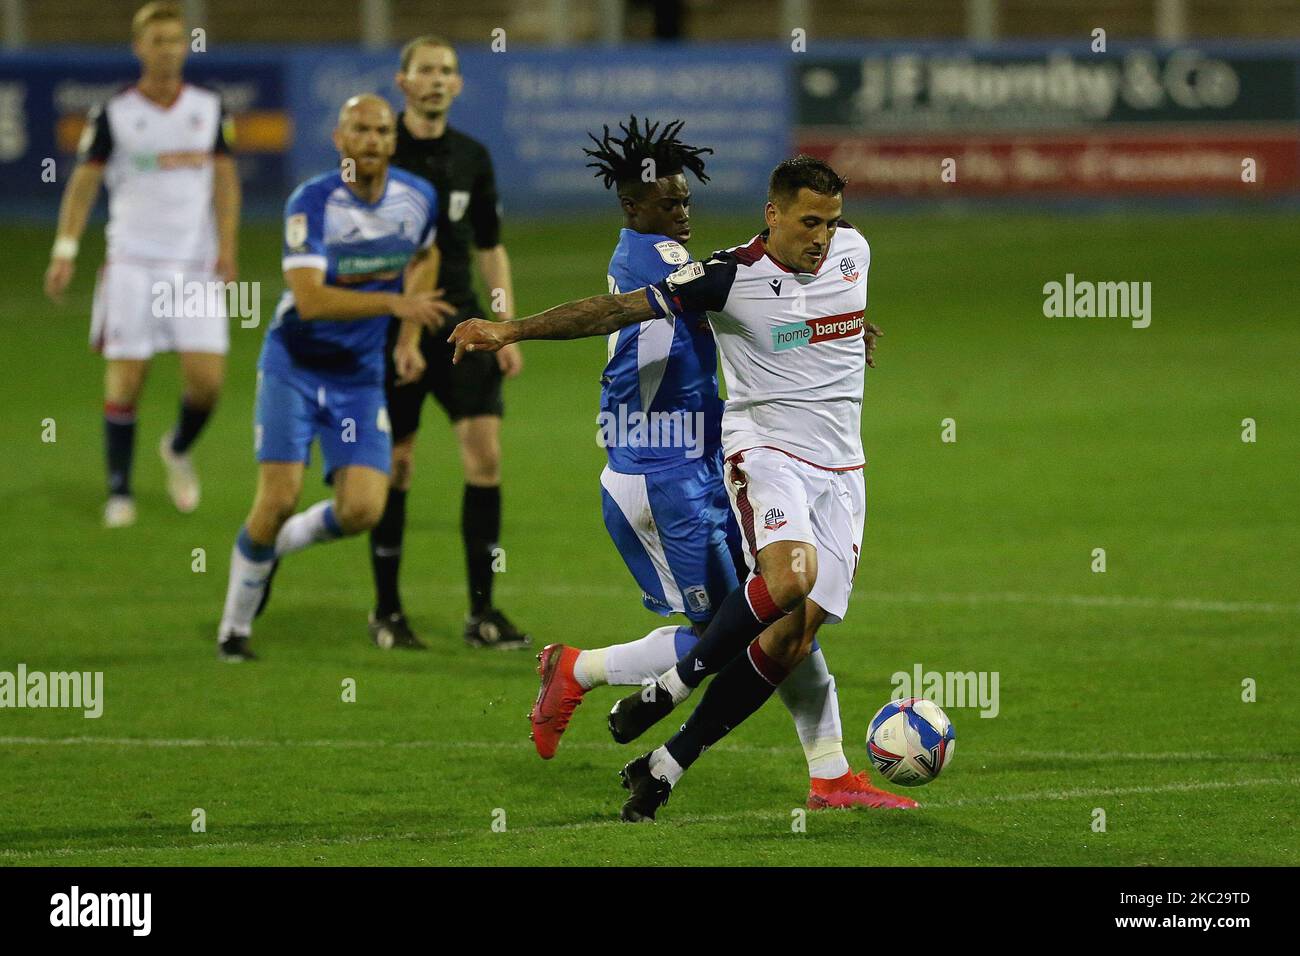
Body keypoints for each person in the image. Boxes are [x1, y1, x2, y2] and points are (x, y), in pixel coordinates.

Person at [451, 155, 911, 821]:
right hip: (764, 453)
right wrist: (510, 329)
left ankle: (676, 763)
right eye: (809, 222)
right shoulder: (726, 274)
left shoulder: (854, 252)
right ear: (773, 215)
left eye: (832, 223)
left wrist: (838, 335)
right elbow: (614, 310)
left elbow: (803, 323)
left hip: (844, 472)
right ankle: (666, 687)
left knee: (791, 639)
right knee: (788, 581)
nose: (823, 236)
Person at [215, 94, 453, 661]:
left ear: (393, 141)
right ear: (339, 140)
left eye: (380, 131)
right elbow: (312, 300)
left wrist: (408, 339)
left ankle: (276, 547)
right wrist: (396, 307)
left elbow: (426, 256)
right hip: (293, 366)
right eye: (358, 130)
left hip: (358, 377)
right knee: (277, 498)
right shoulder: (312, 202)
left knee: (364, 510)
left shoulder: (417, 198)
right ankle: (234, 630)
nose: (370, 140)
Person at [43, 0, 240, 527]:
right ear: (140, 48)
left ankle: (176, 447)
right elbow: (84, 183)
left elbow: (224, 178)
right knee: (126, 379)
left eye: (177, 40)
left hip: (194, 265)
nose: (169, 50)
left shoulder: (208, 107)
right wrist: (66, 249)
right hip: (131, 261)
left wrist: (228, 245)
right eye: (158, 41)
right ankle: (119, 491)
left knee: (208, 384)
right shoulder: (113, 113)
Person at [366, 35, 528, 651]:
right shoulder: (380, 151)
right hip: (394, 329)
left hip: (462, 325)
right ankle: (388, 611)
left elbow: (490, 245)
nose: (437, 80)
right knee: (398, 465)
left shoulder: (472, 157)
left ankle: (482, 613)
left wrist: (505, 321)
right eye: (425, 70)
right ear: (403, 82)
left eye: (447, 71)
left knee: (484, 456)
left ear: (458, 85)